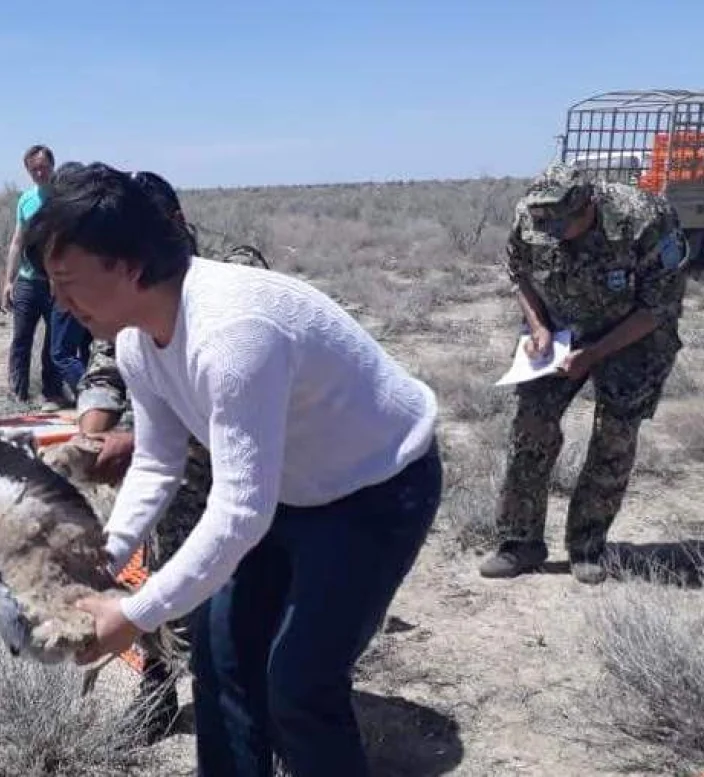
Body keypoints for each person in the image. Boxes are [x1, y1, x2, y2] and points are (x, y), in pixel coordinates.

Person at [23, 162, 443, 777]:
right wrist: (104, 559)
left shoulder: (233, 334)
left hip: (375, 489)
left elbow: (241, 511)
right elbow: (160, 459)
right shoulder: (139, 339)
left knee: (299, 683)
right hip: (289, 491)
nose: (58, 302)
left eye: (67, 281)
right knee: (220, 660)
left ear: (131, 265)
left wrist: (134, 614)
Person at [479, 161, 691, 584]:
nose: (552, 233)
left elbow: (657, 308)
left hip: (634, 336)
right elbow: (520, 273)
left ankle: (587, 545)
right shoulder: (533, 215)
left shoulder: (646, 220)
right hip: (560, 330)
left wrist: (593, 355)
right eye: (545, 225)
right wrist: (538, 327)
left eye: (562, 226)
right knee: (530, 426)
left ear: (587, 208)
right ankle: (520, 542)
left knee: (614, 435)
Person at [2, 145, 66, 409]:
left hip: (57, 283)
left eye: (44, 167)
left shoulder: (64, 198)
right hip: (28, 281)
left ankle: (52, 393)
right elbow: (17, 241)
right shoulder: (26, 200)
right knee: (21, 339)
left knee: (54, 340)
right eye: (34, 169)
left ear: (53, 166)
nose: (40, 172)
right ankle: (18, 393)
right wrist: (8, 281)